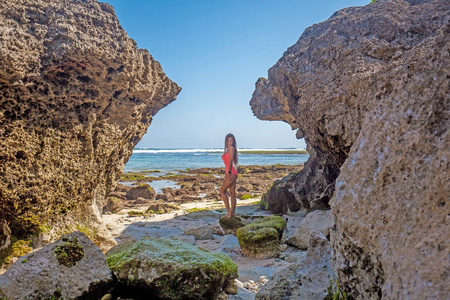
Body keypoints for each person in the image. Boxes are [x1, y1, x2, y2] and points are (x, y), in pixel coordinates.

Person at [220, 133, 238, 218]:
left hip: (231, 173)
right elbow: (227, 164)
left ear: (233, 141)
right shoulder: (228, 149)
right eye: (228, 141)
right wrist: (227, 173)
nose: (229, 142)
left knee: (222, 191)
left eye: (231, 141)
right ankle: (233, 213)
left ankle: (229, 212)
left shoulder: (231, 148)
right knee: (232, 193)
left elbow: (230, 161)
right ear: (226, 141)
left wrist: (229, 173)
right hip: (232, 173)